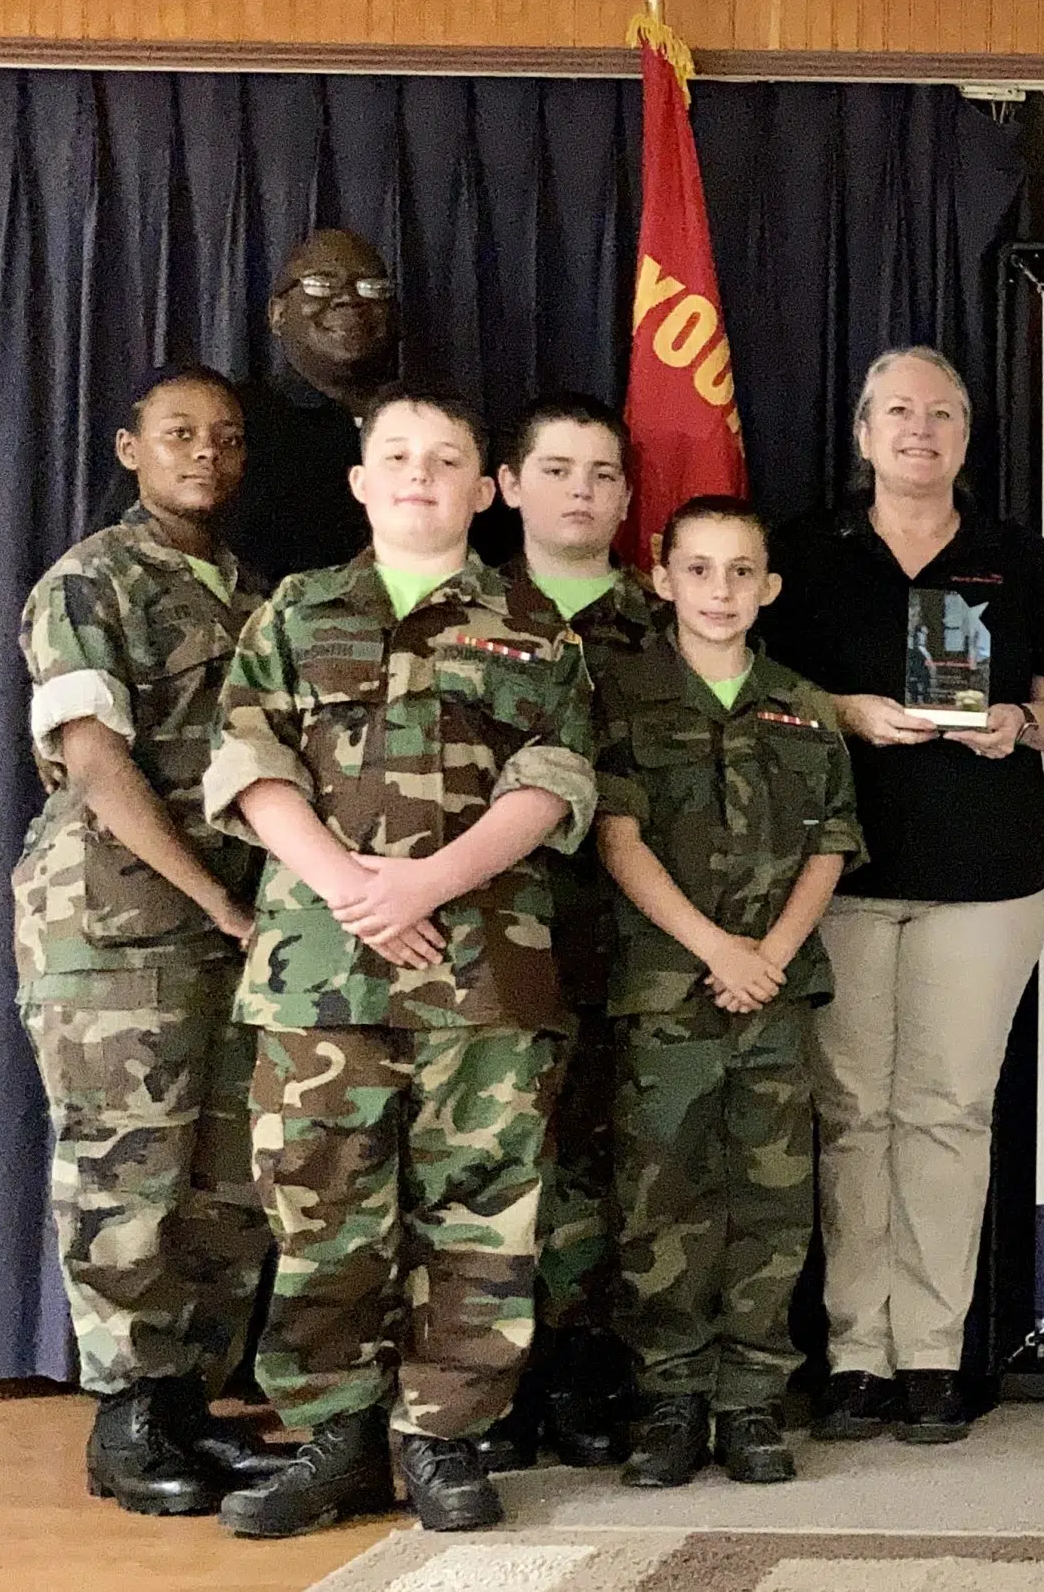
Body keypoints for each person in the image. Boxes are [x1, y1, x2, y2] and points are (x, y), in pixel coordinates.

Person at [200, 387, 596, 1538]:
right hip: (321, 970)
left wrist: (426, 882)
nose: (420, 473)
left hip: (485, 967)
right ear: (361, 480)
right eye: (397, 455)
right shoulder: (292, 611)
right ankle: (335, 1435)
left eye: (447, 458)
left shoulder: (537, 626)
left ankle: (445, 1436)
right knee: (321, 1207)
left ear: (484, 488)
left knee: (479, 1215)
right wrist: (347, 882)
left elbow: (557, 778)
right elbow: (245, 758)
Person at [764, 346, 1044, 1443]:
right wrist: (842, 711)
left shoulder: (1019, 557)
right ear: (860, 434)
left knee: (947, 1111)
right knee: (854, 1111)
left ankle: (932, 1353)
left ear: (966, 436)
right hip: (840, 876)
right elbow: (741, 686)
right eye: (897, 411)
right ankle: (856, 1350)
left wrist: (1016, 725)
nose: (920, 428)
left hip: (987, 880)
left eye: (942, 412)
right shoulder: (802, 550)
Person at [15, 366, 287, 1515]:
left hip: (234, 930)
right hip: (116, 928)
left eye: (225, 439)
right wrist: (215, 901)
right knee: (126, 1175)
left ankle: (190, 1406)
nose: (205, 456)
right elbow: (97, 762)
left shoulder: (257, 593)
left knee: (224, 1184)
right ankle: (128, 1420)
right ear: (129, 447)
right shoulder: (89, 579)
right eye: (179, 435)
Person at [594, 496, 862, 1488]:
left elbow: (831, 842)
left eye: (741, 571)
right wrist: (716, 946)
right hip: (666, 989)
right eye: (699, 569)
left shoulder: (804, 701)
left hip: (775, 994)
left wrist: (770, 957)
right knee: (664, 1192)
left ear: (770, 586)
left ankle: (751, 1399)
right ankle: (668, 1398)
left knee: (771, 1199)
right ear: (660, 578)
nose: (720, 590)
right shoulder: (621, 692)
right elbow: (617, 838)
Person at [472, 394, 660, 1473]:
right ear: (506, 485)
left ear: (629, 496)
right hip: (495, 933)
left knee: (603, 1158)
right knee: (492, 1161)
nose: (580, 490)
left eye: (600, 472)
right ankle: (489, 1378)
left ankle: (584, 1366)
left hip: (626, 931)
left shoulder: (670, 617)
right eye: (556, 469)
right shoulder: (467, 610)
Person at [230, 230, 401, 584]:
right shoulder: (229, 421)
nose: (348, 300)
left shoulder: (433, 425)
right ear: (277, 314)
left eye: (370, 287)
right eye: (321, 284)